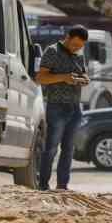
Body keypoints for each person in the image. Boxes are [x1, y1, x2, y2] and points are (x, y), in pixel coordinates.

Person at [35, 25, 91, 192]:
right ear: (67, 37)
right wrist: (63, 78)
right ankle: (43, 185)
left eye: (80, 46)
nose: (77, 48)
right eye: (74, 44)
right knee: (51, 148)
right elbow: (40, 78)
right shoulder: (52, 51)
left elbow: (84, 74)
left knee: (68, 150)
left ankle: (62, 187)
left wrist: (84, 79)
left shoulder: (79, 56)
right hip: (56, 107)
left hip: (74, 108)